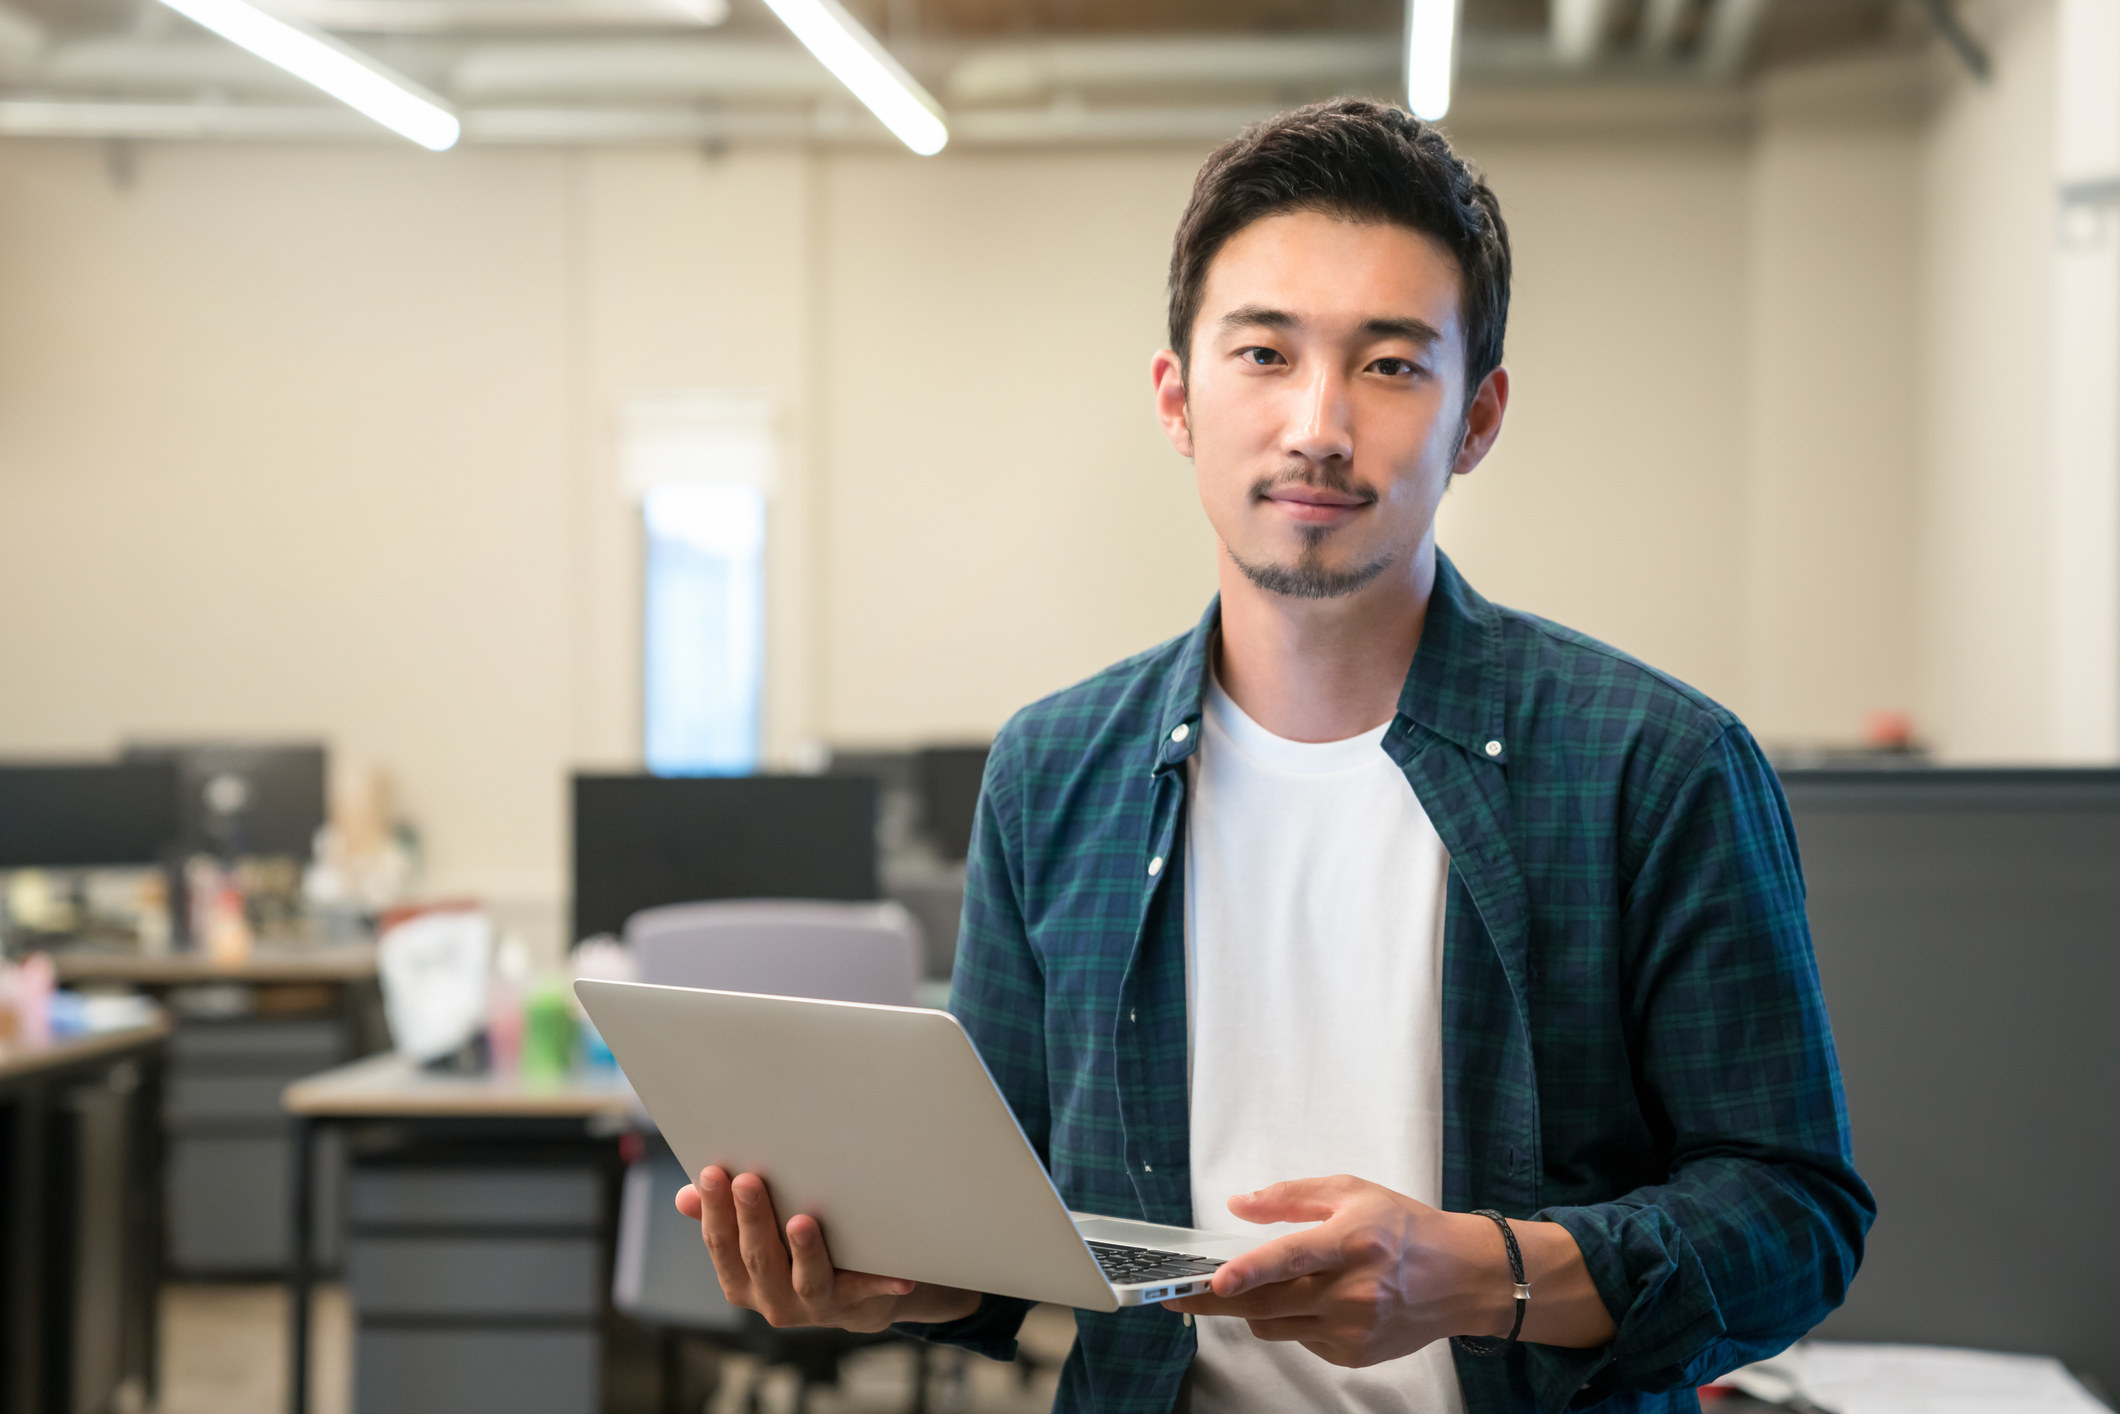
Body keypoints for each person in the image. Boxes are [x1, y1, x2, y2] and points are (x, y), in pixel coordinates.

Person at [676, 98, 1873, 1413]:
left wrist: (1483, 1272)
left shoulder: (1656, 765)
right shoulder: (1056, 769)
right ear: (1177, 398)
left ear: (1477, 418)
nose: (1317, 423)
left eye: (1390, 364)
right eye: (1264, 353)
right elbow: (1010, 1225)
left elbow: (1796, 1214)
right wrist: (879, 1273)